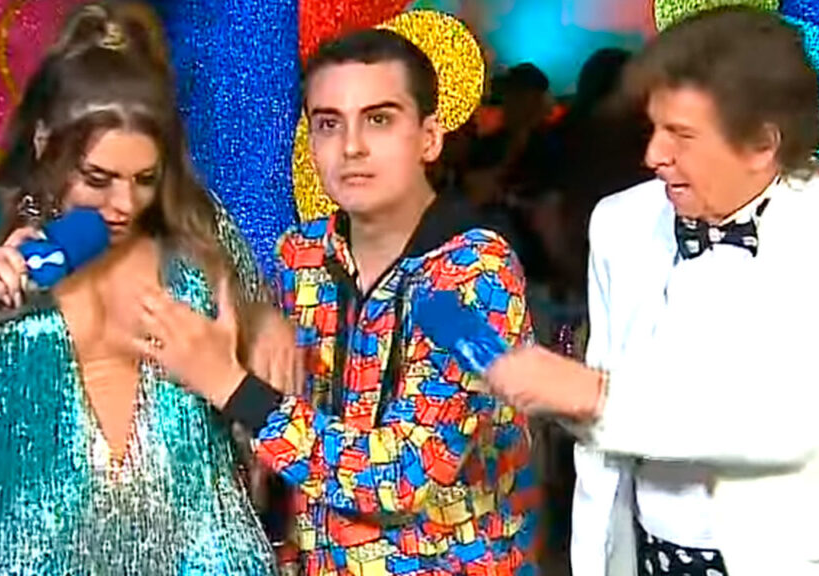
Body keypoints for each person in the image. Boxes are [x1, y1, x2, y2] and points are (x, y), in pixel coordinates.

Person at [0, 2, 278, 573]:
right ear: (44, 142)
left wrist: (265, 335)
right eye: (98, 178)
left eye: (144, 179)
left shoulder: (198, 243)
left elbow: (266, 420)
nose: (123, 204)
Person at [481, 7, 819, 575]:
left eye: (682, 135)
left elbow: (788, 420)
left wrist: (593, 396)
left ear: (761, 144)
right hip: (647, 553)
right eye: (654, 128)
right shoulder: (620, 221)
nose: (653, 156)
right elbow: (600, 445)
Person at [134, 28, 543, 575]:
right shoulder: (302, 255)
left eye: (379, 119)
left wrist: (229, 384)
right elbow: (282, 430)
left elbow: (402, 478)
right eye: (329, 123)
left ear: (429, 138)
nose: (351, 147)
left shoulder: (474, 274)